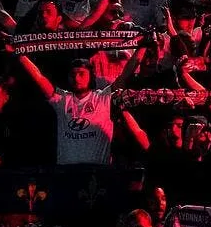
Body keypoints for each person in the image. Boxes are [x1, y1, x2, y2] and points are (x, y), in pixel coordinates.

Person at [15, 43, 146, 165]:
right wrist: (19, 54)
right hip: (67, 173)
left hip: (98, 173)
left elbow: (126, 74)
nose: (76, 78)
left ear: (91, 77)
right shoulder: (62, 100)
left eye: (81, 74)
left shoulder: (103, 98)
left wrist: (143, 46)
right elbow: (39, 77)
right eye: (73, 74)